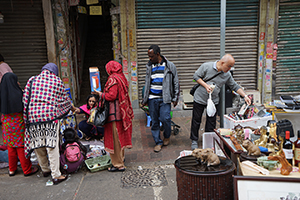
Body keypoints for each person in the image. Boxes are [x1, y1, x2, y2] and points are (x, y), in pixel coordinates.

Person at [23, 63, 75, 184]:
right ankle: (56, 174)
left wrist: (27, 120)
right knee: (52, 146)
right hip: (50, 117)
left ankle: (45, 169)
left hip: (33, 117)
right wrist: (70, 109)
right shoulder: (56, 80)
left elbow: (25, 99)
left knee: (38, 144)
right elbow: (64, 100)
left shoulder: (32, 80)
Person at [190, 54, 251, 150]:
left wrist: (245, 96)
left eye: (231, 66)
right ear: (222, 63)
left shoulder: (227, 74)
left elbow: (234, 86)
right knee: (196, 119)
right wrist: (206, 85)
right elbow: (196, 76)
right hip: (200, 97)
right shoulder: (206, 66)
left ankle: (208, 140)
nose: (230, 68)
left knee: (211, 121)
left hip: (213, 100)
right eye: (229, 66)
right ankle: (194, 140)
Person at [93, 61, 134, 172]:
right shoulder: (122, 77)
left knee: (115, 138)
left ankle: (118, 164)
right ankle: (121, 158)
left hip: (113, 113)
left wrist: (100, 94)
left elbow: (111, 96)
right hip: (121, 112)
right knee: (120, 136)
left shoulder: (113, 79)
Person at [141, 44, 179, 153]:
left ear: (158, 54)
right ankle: (158, 142)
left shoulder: (169, 66)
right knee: (154, 121)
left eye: (151, 56)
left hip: (165, 98)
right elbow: (147, 83)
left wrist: (175, 97)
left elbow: (176, 82)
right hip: (152, 98)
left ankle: (167, 136)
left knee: (165, 118)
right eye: (149, 56)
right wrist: (144, 100)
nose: (150, 58)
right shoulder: (149, 66)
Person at [0, 72, 39, 176]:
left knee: (11, 148)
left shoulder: (1, 95)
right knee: (21, 147)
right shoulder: (20, 94)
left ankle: (12, 170)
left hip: (7, 125)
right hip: (19, 125)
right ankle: (27, 170)